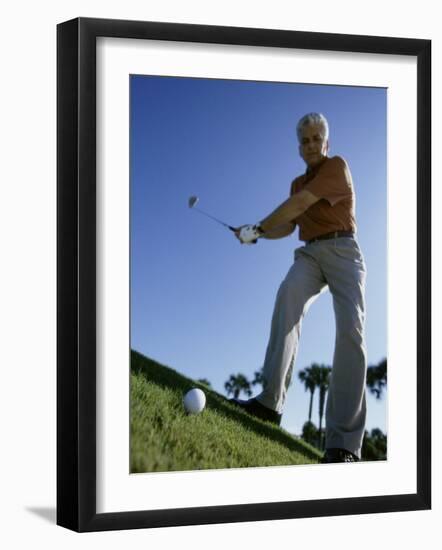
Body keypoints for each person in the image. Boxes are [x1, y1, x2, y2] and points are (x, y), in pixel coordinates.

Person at [233, 112, 367, 463]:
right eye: (304, 140)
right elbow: (287, 227)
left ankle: (344, 444)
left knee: (350, 330)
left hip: (343, 250)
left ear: (327, 141)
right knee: (288, 295)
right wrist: (256, 233)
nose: (311, 145)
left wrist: (259, 227)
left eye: (316, 138)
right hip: (309, 254)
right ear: (299, 147)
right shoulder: (296, 182)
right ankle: (269, 404)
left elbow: (301, 204)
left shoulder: (336, 166)